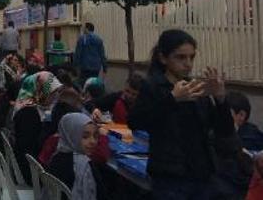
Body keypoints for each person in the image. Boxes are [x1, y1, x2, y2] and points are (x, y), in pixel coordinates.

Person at [128, 29, 233, 200]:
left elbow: (224, 130)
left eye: (191, 57)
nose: (188, 64)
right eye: (180, 57)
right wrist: (172, 99)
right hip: (170, 176)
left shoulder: (194, 87)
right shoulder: (153, 86)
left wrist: (221, 99)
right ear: (163, 58)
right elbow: (136, 121)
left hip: (202, 173)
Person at [9, 71, 63, 184]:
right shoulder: (29, 114)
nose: (55, 98)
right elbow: (31, 147)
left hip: (24, 164)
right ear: (41, 91)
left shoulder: (26, 104)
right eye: (52, 93)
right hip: (30, 171)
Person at [46, 113, 108, 200]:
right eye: (85, 136)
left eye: (95, 136)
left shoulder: (57, 155)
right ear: (71, 135)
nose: (93, 141)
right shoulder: (84, 165)